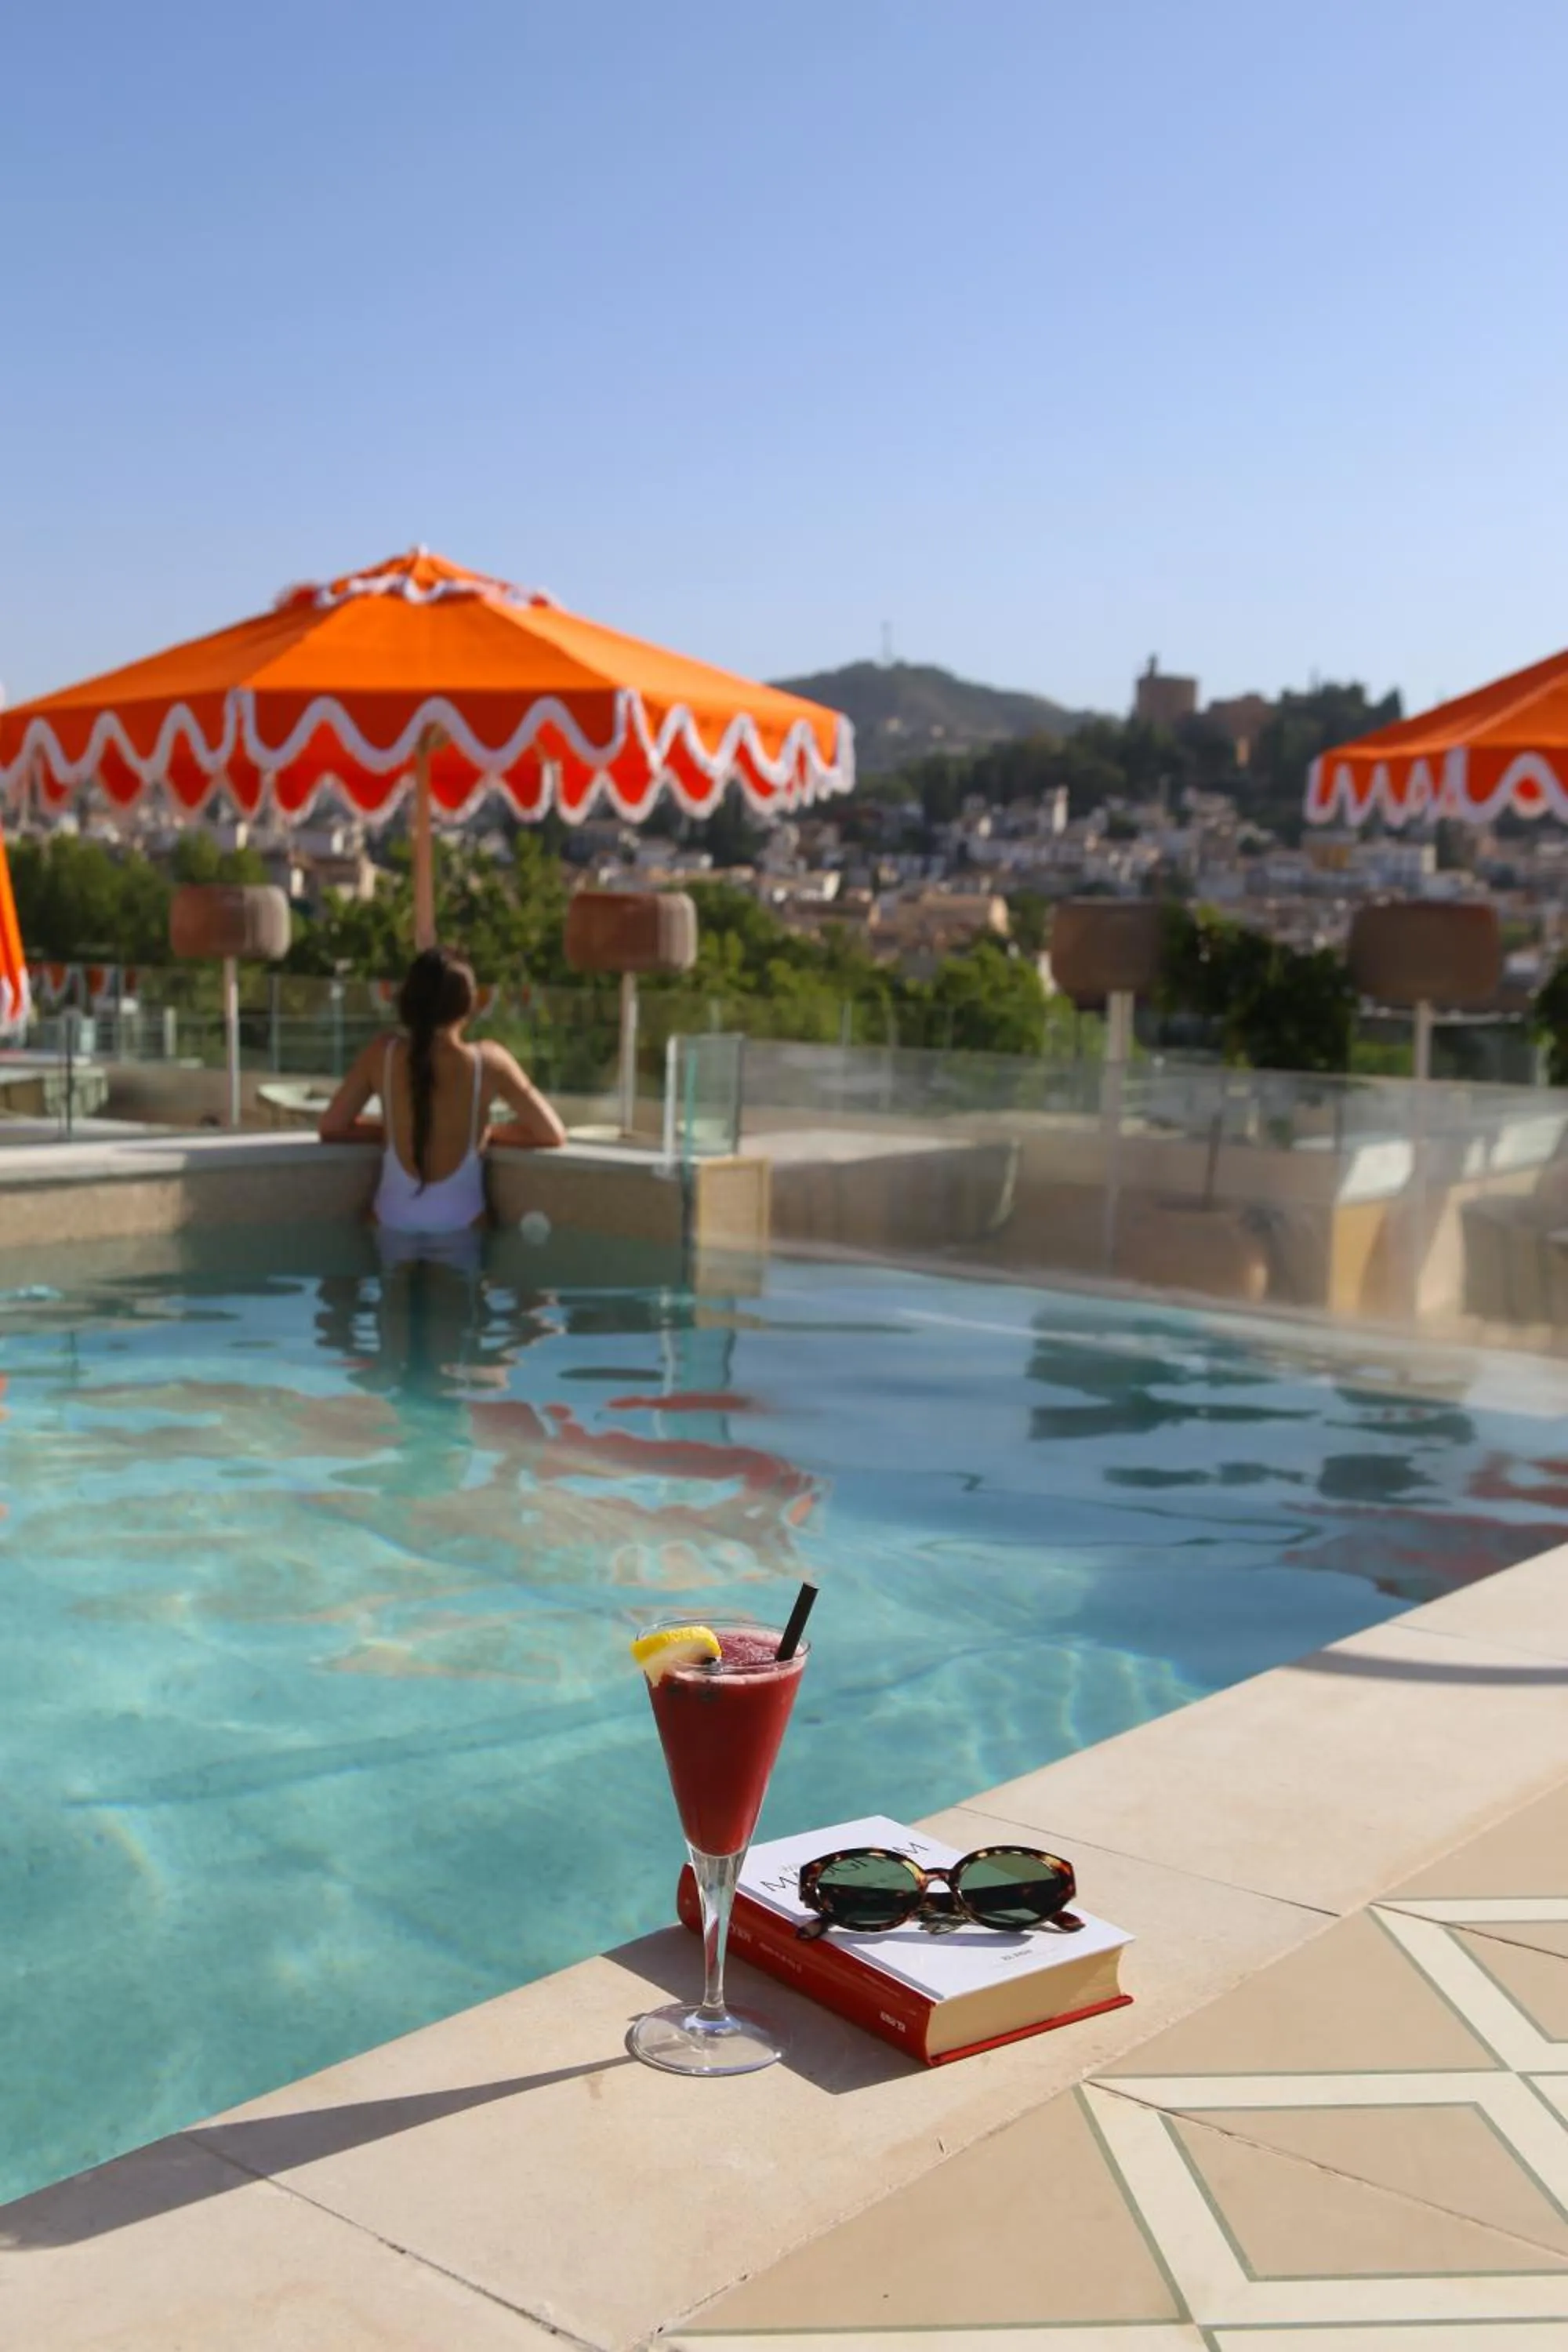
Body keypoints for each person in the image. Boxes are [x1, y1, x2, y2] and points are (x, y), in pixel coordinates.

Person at [318, 946, 565, 1235]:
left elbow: (332, 1127)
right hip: (463, 1225)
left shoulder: (381, 1054)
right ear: (469, 1004)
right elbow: (551, 1133)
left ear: (408, 1000)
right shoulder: (489, 1062)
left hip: (390, 1221)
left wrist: (393, 1130)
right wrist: (483, 1132)